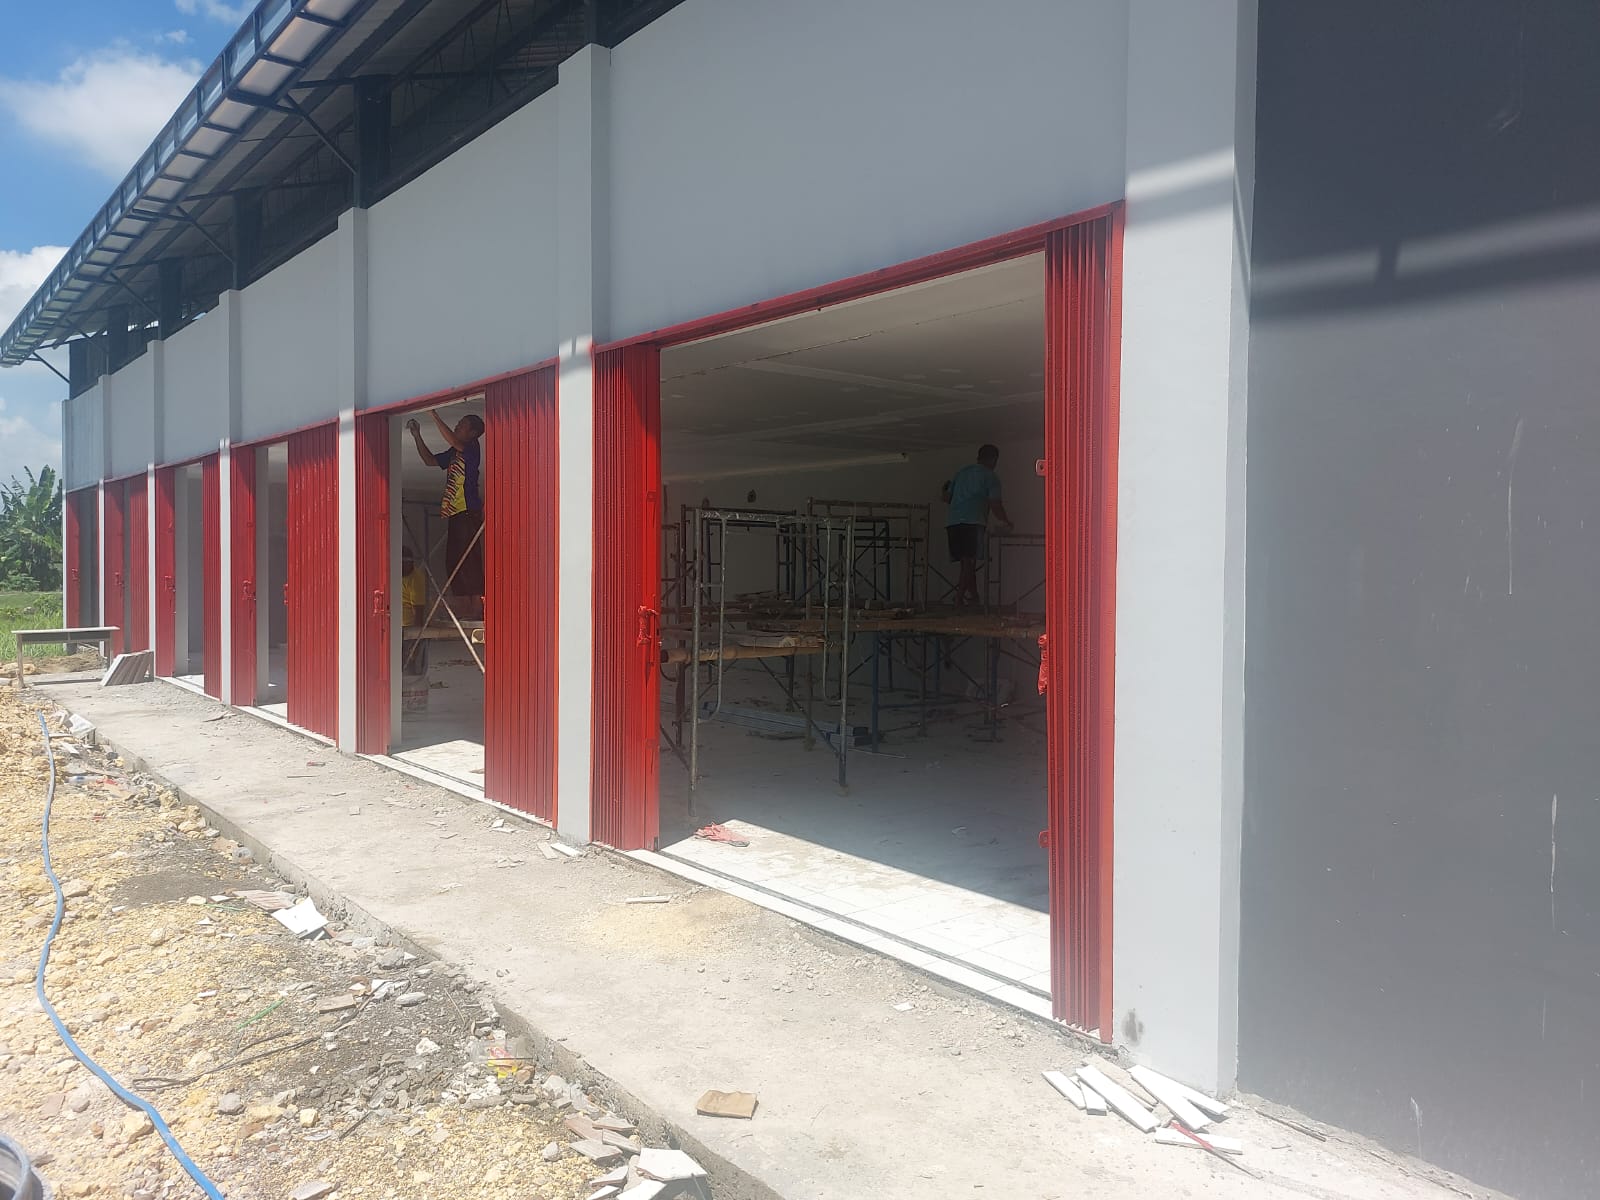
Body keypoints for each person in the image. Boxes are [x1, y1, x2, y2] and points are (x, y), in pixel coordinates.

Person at [407, 410, 484, 620]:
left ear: (473, 433)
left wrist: (434, 415)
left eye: (462, 424)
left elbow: (455, 441)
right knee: (454, 561)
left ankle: (474, 608)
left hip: (467, 511)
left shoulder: (472, 447)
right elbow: (429, 461)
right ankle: (466, 607)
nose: (457, 426)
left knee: (468, 561)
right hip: (456, 511)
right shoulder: (453, 452)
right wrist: (417, 436)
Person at [941, 443, 1012, 607]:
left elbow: (946, 498)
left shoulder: (962, 472)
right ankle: (959, 598)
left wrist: (943, 490)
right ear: (993, 459)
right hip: (973, 522)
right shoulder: (991, 477)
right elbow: (995, 505)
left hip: (953, 522)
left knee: (966, 562)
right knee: (969, 562)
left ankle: (974, 596)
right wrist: (1006, 522)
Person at [400, 546, 427, 627]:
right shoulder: (393, 575)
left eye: (407, 562)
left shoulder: (416, 579)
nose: (404, 565)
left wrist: (415, 632)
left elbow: (418, 611)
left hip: (408, 627)